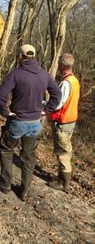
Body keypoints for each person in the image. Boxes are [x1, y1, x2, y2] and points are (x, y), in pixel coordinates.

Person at [0, 44, 61, 201]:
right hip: (35, 123)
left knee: (6, 149)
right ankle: (24, 191)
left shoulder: (16, 74)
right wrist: (46, 110)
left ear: (21, 57)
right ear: (34, 57)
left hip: (17, 121)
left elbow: (2, 94)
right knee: (29, 157)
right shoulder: (44, 75)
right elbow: (57, 93)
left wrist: (5, 111)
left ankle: (5, 183)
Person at [48, 53, 80, 193]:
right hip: (70, 120)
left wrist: (45, 105)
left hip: (63, 121)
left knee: (63, 152)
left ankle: (64, 183)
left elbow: (58, 104)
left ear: (62, 66)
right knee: (63, 150)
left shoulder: (66, 83)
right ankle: (60, 177)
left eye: (59, 65)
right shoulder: (74, 80)